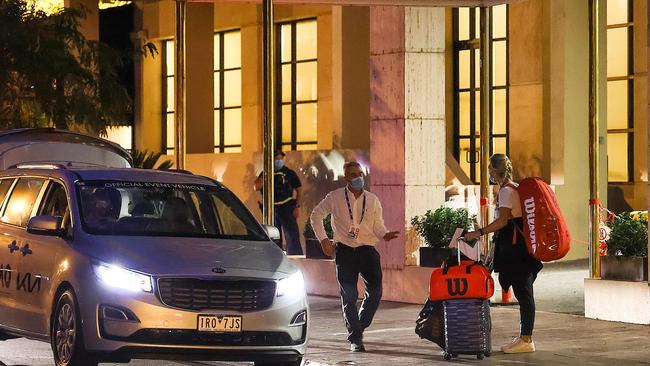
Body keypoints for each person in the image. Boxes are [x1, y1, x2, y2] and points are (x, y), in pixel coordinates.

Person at [310, 161, 399, 352]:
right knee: (349, 296)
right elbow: (316, 215)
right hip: (345, 252)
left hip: (367, 251)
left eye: (360, 173)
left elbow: (377, 225)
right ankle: (356, 339)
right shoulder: (334, 197)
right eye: (353, 174)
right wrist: (324, 240)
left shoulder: (373, 199)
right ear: (346, 178)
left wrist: (385, 234)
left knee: (375, 293)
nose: (358, 177)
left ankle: (359, 325)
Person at [465, 153, 542, 354]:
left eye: (489, 168)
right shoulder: (513, 187)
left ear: (495, 170)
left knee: (523, 293)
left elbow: (503, 221)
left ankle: (527, 339)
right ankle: (525, 336)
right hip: (520, 246)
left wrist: (478, 232)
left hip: (516, 249)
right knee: (523, 291)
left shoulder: (507, 191)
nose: (488, 172)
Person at [254, 150, 303, 255]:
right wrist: (266, 173)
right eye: (277, 159)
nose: (279, 161)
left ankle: (296, 258)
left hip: (287, 208)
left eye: (281, 159)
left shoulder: (289, 173)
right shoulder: (266, 173)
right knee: (274, 237)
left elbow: (299, 189)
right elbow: (256, 187)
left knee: (292, 236)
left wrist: (297, 207)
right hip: (272, 210)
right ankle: (275, 257)